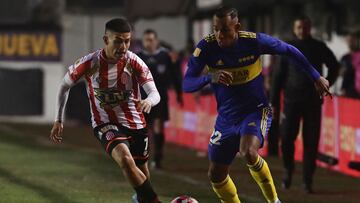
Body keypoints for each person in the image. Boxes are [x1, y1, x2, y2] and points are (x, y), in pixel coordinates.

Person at [183, 6, 331, 203]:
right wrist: (210, 77)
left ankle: (274, 201)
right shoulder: (206, 47)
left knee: (249, 152)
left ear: (237, 27)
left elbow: (289, 50)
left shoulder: (254, 42)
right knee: (215, 174)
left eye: (225, 30)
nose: (219, 35)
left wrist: (316, 76)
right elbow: (187, 83)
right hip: (226, 118)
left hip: (256, 110)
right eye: (215, 29)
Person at [49, 18, 162, 203]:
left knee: (142, 173)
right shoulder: (89, 62)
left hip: (136, 123)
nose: (123, 46)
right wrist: (58, 119)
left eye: (127, 41)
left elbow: (154, 93)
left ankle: (141, 199)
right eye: (118, 40)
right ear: (106, 40)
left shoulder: (134, 62)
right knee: (125, 160)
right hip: (105, 123)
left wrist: (149, 101)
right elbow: (64, 86)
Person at [270, 16, 339, 193]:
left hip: (313, 102)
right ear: (295, 29)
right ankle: (288, 170)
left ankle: (307, 181)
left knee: (311, 143)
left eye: (306, 27)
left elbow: (334, 66)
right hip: (291, 102)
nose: (303, 30)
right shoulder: (286, 49)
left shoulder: (318, 47)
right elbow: (277, 78)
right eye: (299, 27)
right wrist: (273, 103)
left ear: (310, 28)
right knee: (286, 139)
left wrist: (326, 83)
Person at [137, 29, 183, 169]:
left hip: (160, 98)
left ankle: (157, 157)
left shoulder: (165, 56)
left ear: (156, 40)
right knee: (142, 129)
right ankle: (142, 156)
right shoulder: (138, 56)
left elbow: (176, 74)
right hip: (142, 99)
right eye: (146, 40)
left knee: (158, 126)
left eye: (151, 39)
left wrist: (179, 92)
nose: (148, 42)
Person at [340, 32, 360, 98]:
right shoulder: (345, 57)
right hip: (346, 92)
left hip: (356, 92)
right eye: (350, 40)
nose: (351, 42)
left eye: (353, 40)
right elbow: (341, 73)